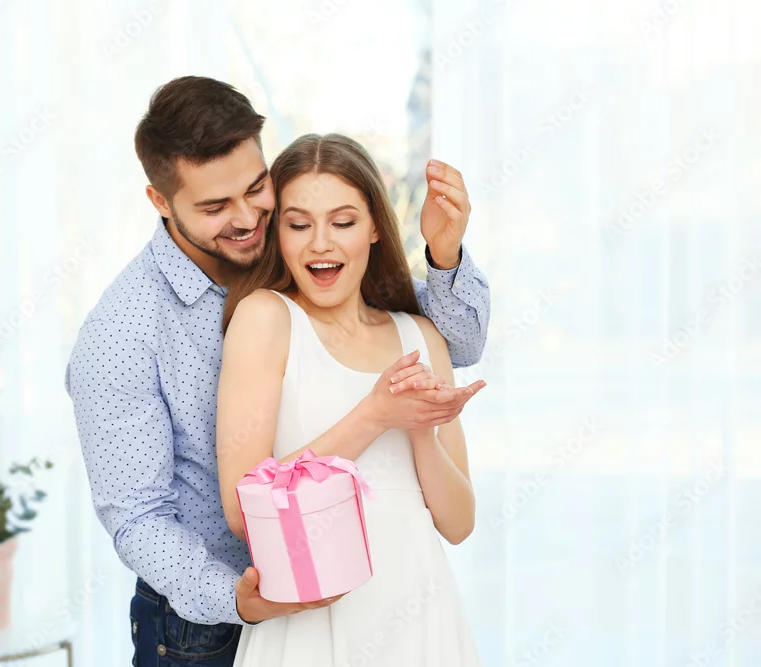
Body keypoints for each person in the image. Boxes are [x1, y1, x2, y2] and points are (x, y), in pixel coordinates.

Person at [65, 76, 489, 667]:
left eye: (255, 188)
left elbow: (455, 341)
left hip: (381, 599)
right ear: (161, 201)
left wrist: (444, 257)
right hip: (208, 619)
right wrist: (238, 599)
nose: (247, 219)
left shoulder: (300, 254)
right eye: (215, 207)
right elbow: (137, 516)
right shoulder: (122, 332)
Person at [217, 133, 482, 666]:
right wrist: (375, 414)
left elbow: (458, 524)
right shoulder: (267, 318)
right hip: (311, 628)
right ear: (277, 234)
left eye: (343, 222)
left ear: (375, 228)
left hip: (421, 620)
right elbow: (245, 511)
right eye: (298, 225)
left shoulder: (420, 336)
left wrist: (420, 430)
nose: (321, 243)